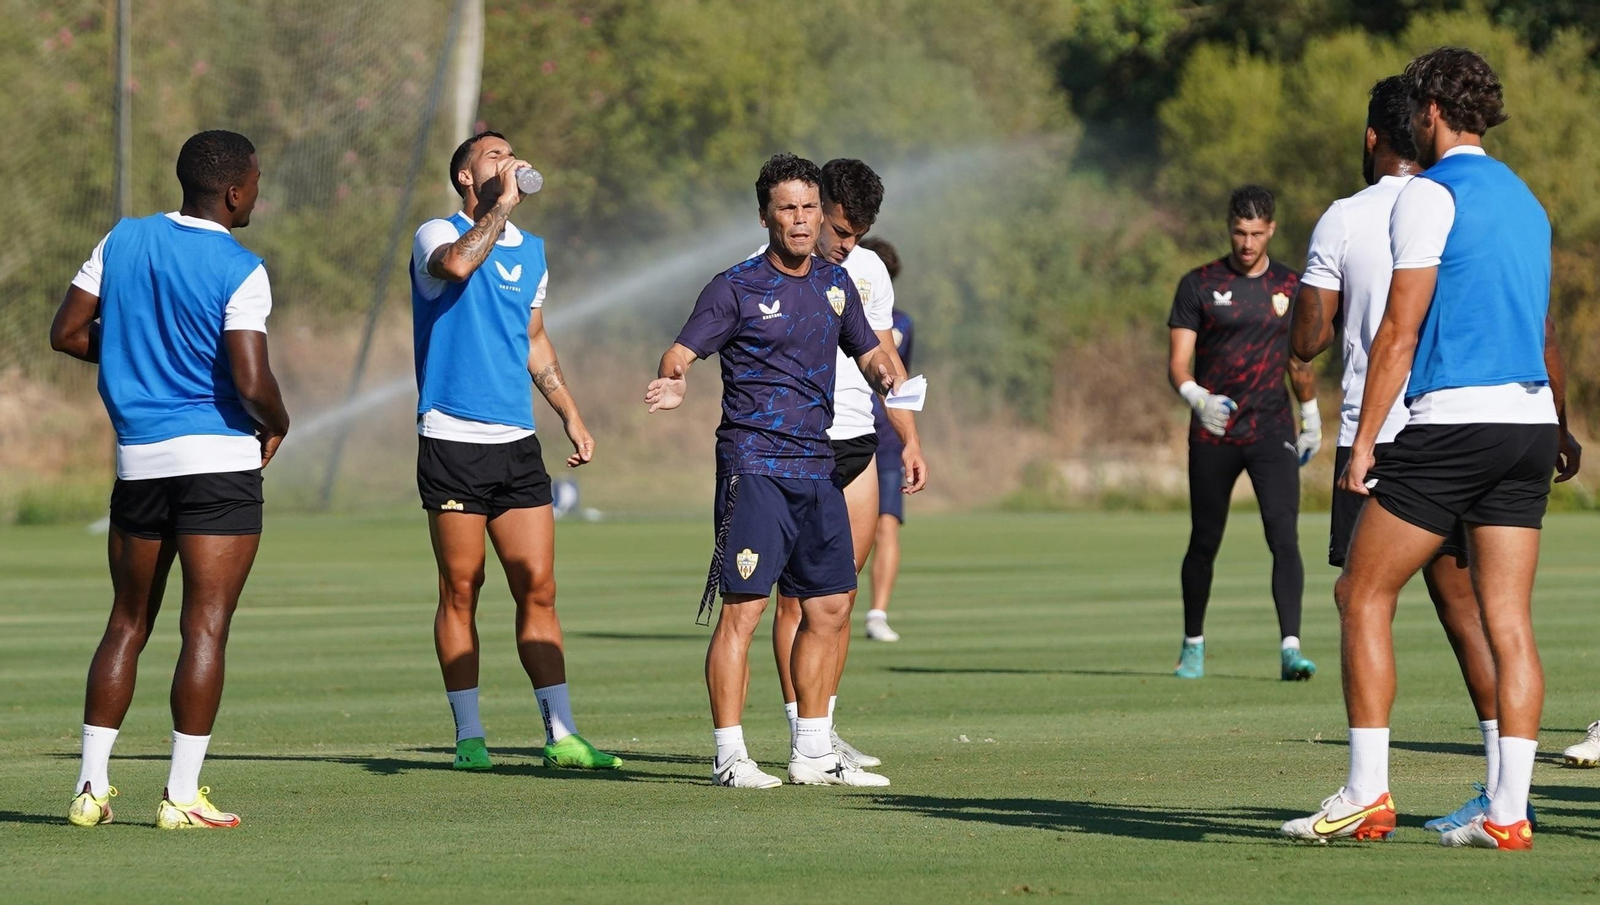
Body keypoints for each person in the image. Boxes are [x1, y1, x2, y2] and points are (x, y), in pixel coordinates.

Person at [1281, 47, 1578, 850]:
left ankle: (1365, 793)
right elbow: (1538, 324)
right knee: (1506, 619)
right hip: (1527, 422)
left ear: (1433, 114)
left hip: (1454, 423)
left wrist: (1364, 440)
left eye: (1418, 107)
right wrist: (1560, 419)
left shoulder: (1426, 194)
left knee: (1361, 594)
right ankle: (1509, 813)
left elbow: (1399, 330)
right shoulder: (1527, 201)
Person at [51, 130, 290, 829]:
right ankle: (180, 796)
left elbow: (66, 332)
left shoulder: (121, 239)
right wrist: (279, 420)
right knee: (205, 627)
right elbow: (250, 379)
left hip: (139, 463)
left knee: (126, 622)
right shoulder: (243, 267)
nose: (257, 192)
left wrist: (131, 354)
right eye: (256, 181)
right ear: (236, 191)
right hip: (218, 463)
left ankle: (89, 790)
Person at [644, 153, 902, 788]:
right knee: (745, 611)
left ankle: (813, 753)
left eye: (809, 208)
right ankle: (730, 757)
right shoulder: (734, 287)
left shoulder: (835, 286)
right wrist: (674, 383)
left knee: (833, 605)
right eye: (787, 208)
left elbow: (868, 350)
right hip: (754, 467)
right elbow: (678, 354)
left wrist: (885, 374)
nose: (800, 220)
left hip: (817, 468)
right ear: (765, 215)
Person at [411, 130, 619, 773]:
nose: (509, 160)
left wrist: (571, 414)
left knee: (539, 588)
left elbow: (533, 339)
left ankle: (561, 733)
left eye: (511, 153)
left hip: (516, 444)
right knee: (462, 588)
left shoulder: (532, 253)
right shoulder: (434, 232)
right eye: (492, 155)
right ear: (467, 177)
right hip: (451, 438)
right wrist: (500, 207)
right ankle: (469, 736)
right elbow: (455, 265)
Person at [763, 161, 926, 774]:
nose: (846, 243)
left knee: (839, 598)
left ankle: (824, 733)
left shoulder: (869, 268)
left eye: (857, 234)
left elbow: (885, 355)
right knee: (793, 603)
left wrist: (909, 438)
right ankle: (800, 734)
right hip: (793, 445)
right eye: (840, 229)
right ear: (815, 207)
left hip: (858, 444)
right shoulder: (771, 263)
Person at [1166, 185, 1321, 681]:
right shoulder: (1199, 284)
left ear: (1271, 229)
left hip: (1271, 427)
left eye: (1256, 233)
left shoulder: (1292, 286)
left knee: (1284, 536)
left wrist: (1312, 415)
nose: (1247, 242)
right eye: (1239, 232)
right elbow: (1177, 363)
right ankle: (1192, 646)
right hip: (1213, 432)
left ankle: (1290, 649)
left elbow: (1300, 359)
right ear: (1229, 228)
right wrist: (1197, 398)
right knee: (1205, 540)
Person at [861, 236, 913, 643]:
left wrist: (912, 436)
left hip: (887, 438)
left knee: (887, 525)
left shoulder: (902, 324)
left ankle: (878, 612)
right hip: (842, 431)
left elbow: (900, 376)